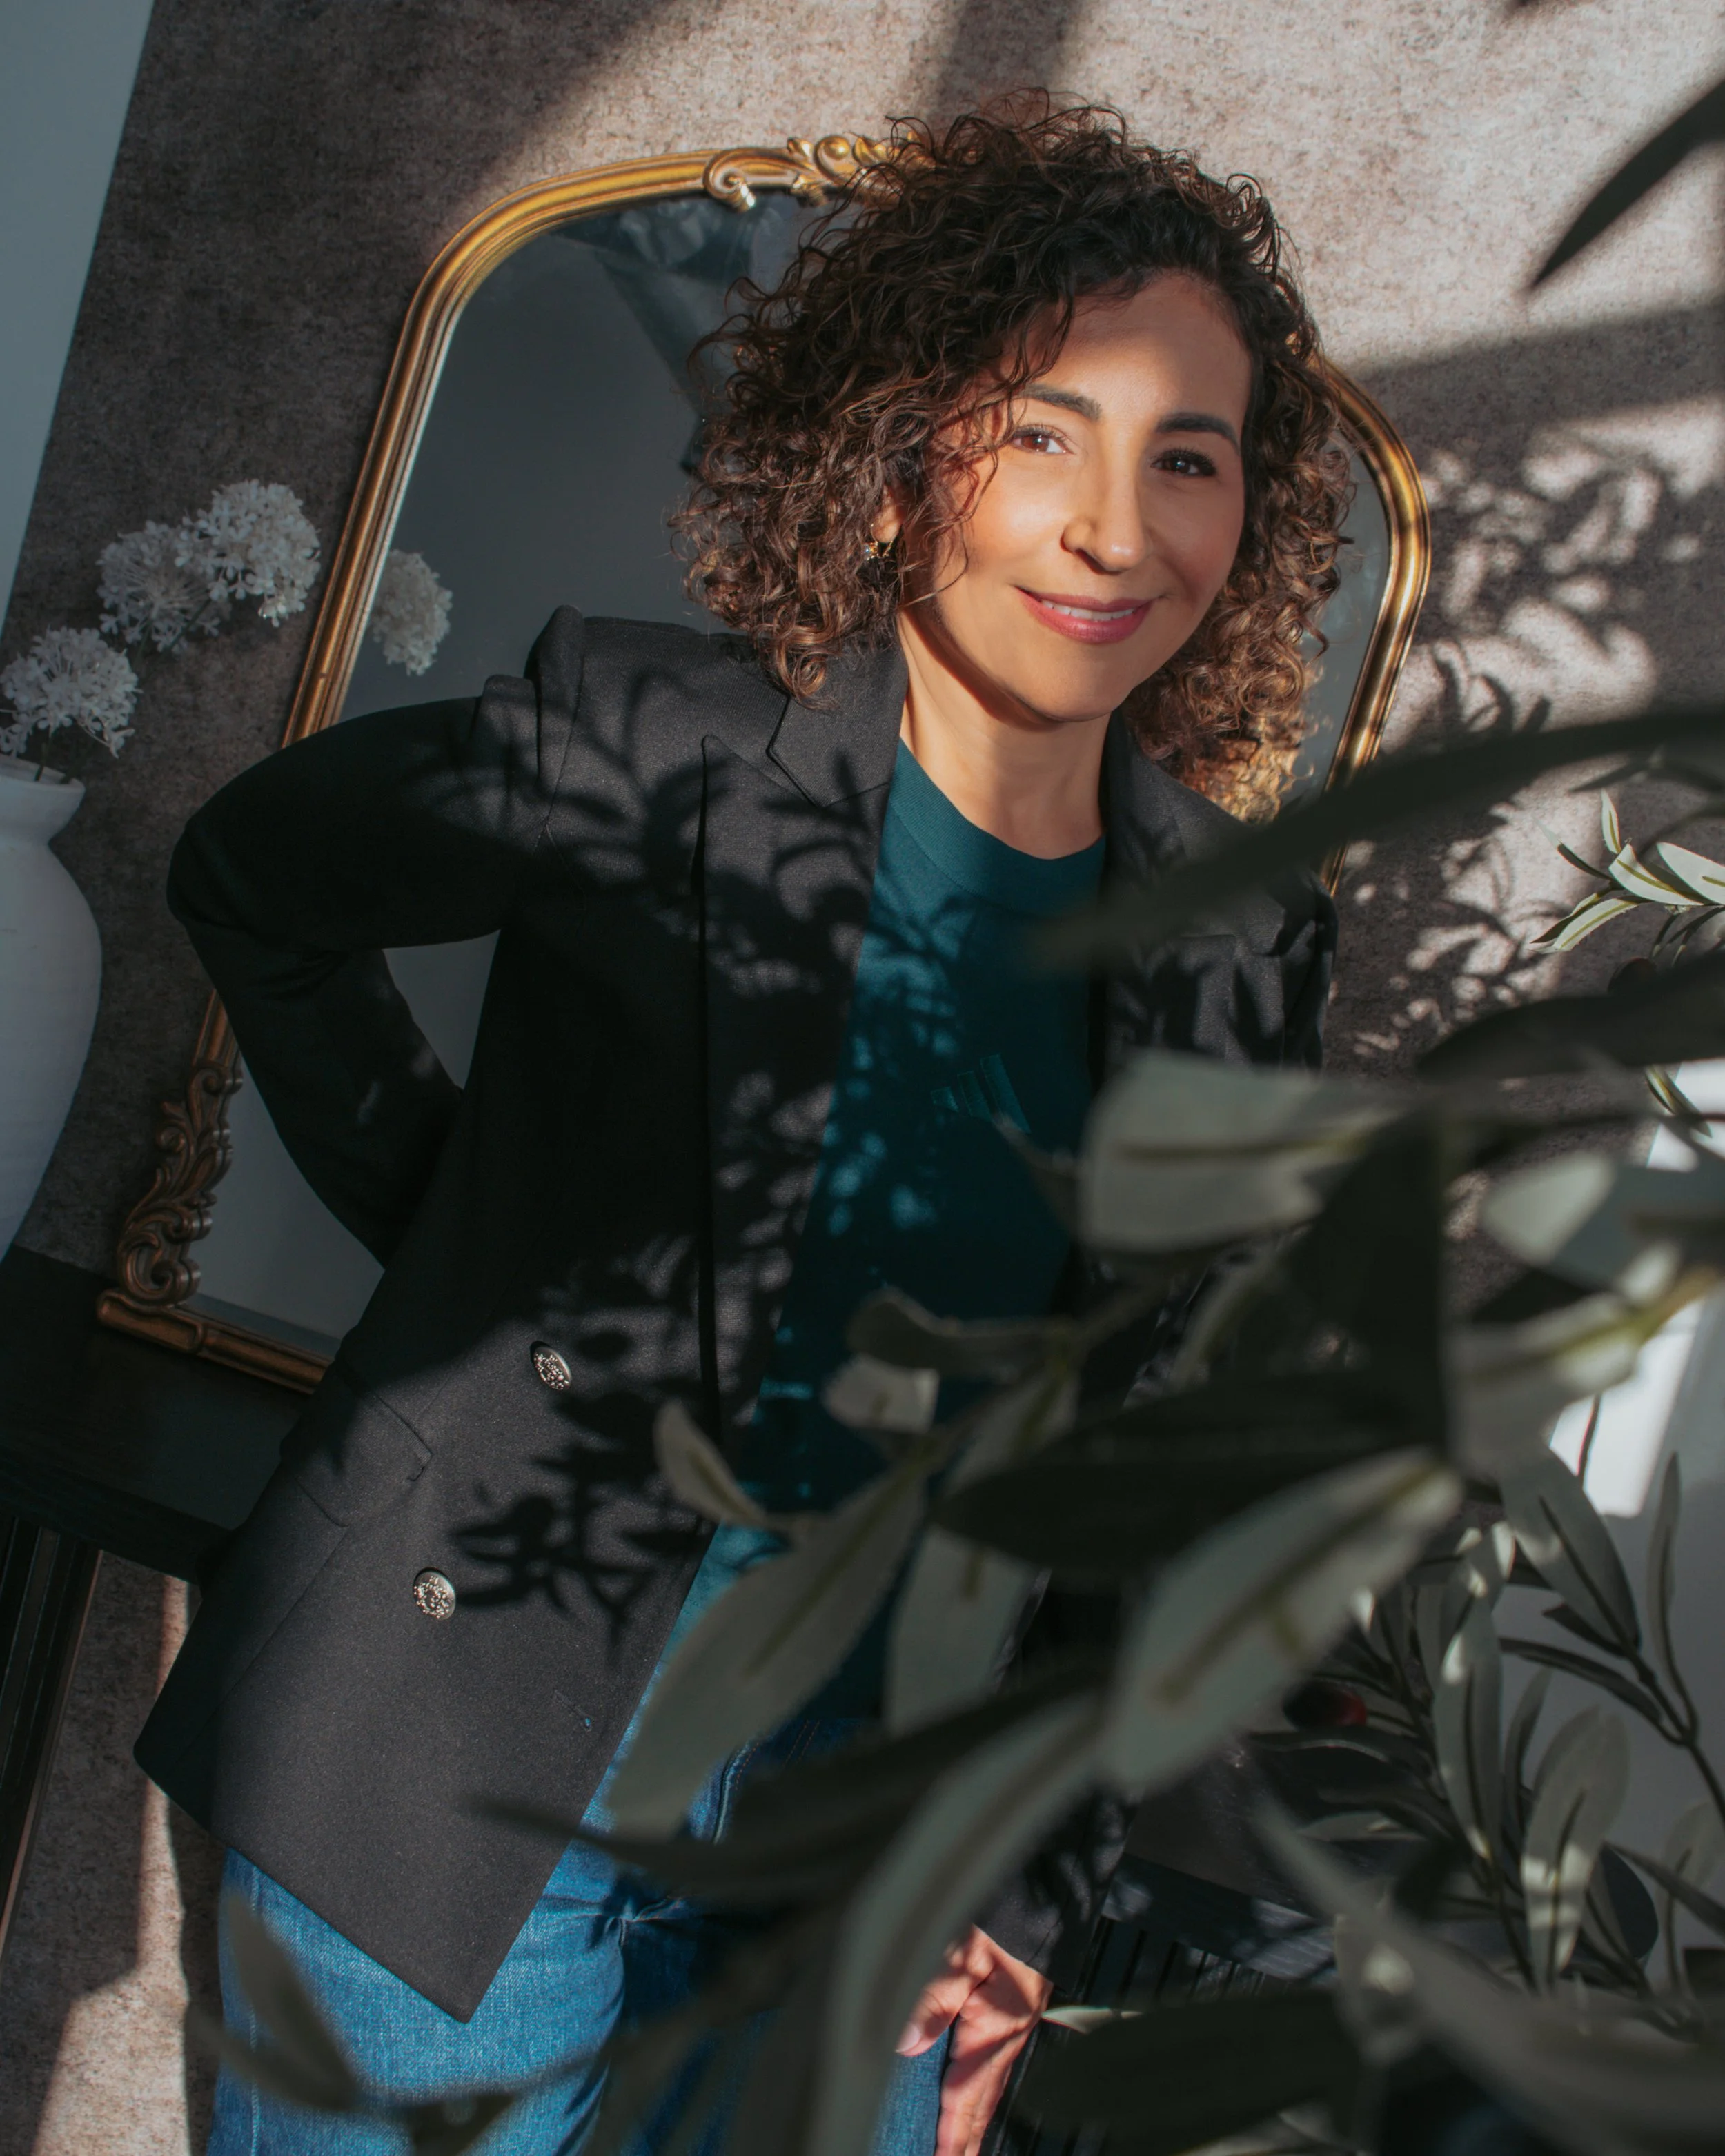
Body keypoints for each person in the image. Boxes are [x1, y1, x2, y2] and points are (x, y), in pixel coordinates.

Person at [137, 100, 1346, 2156]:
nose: (1112, 526)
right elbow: (258, 875)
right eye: (1040, 429)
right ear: (894, 465)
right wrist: (458, 1228)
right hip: (465, 1739)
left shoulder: (1238, 947)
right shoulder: (654, 745)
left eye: (1186, 458)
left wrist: (1035, 1883)